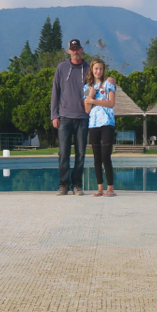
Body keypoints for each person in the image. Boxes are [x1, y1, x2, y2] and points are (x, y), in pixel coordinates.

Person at [50, 39, 89, 195]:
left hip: (83, 117)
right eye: (73, 49)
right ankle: (63, 185)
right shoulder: (62, 68)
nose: (75, 51)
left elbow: (94, 87)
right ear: (69, 51)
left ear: (81, 49)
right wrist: (54, 115)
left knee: (81, 153)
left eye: (77, 48)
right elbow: (55, 92)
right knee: (63, 153)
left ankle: (77, 185)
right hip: (65, 117)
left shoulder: (88, 68)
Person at [84, 59, 117, 196]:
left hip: (107, 123)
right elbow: (87, 109)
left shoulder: (109, 83)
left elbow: (111, 103)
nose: (98, 71)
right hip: (93, 124)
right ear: (92, 70)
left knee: (105, 155)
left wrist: (93, 100)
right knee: (97, 157)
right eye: (96, 69)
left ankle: (110, 188)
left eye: (101, 69)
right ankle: (100, 188)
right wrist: (90, 95)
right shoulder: (86, 88)